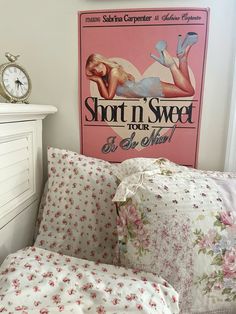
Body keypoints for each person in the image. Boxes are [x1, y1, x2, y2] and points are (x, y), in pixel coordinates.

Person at [85, 32, 198, 99]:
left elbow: (108, 97)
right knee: (187, 89)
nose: (97, 70)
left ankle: (172, 65)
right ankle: (182, 56)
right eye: (94, 70)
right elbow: (130, 80)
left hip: (147, 88)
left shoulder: (113, 72)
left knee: (189, 92)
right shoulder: (111, 74)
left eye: (98, 65)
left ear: (102, 61)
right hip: (146, 87)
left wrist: (98, 81)